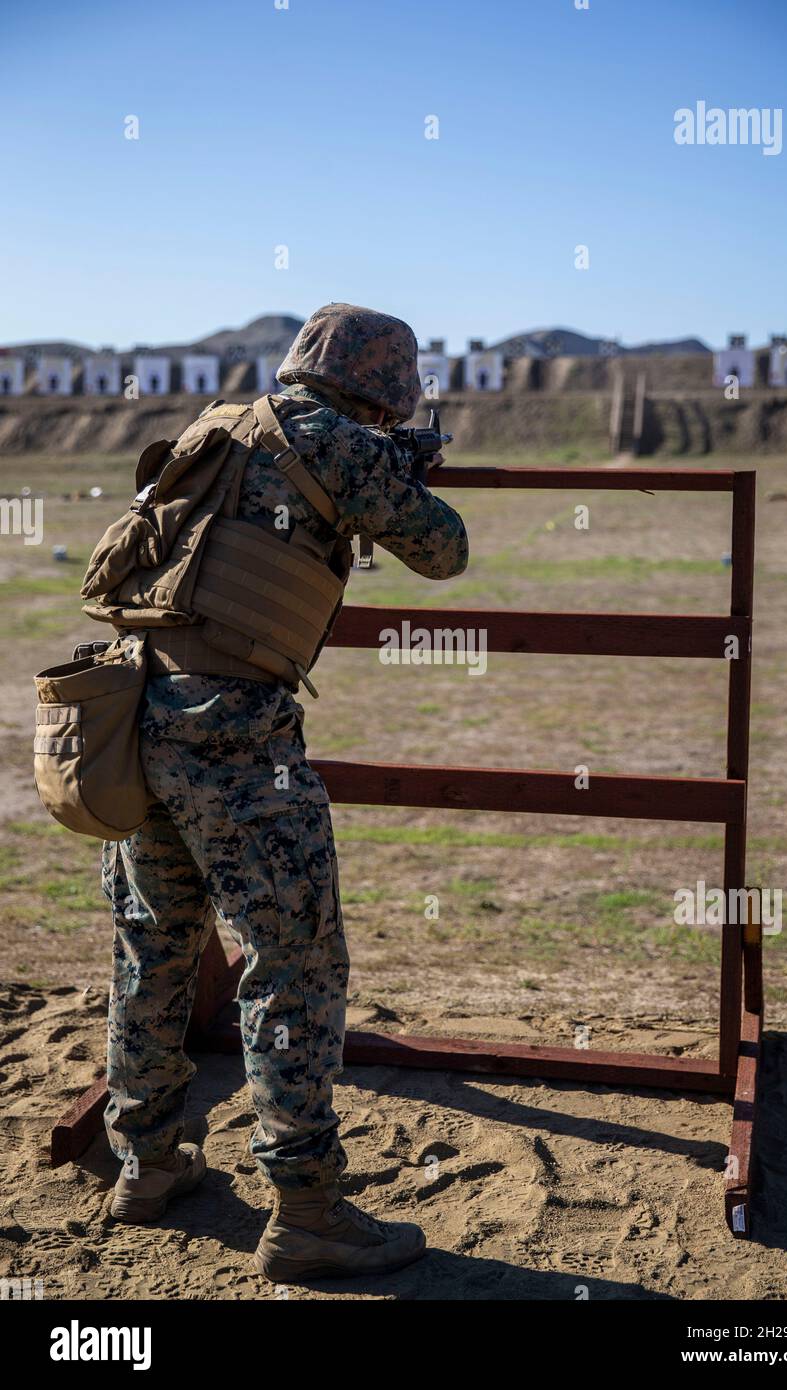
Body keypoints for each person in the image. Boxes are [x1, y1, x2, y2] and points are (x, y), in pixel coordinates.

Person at [103, 303, 469, 1282]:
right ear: (384, 381)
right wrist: (402, 472)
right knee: (293, 967)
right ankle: (306, 1212)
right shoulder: (340, 444)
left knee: (154, 947)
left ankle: (143, 1164)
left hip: (137, 717)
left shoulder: (216, 422)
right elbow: (443, 550)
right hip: (237, 740)